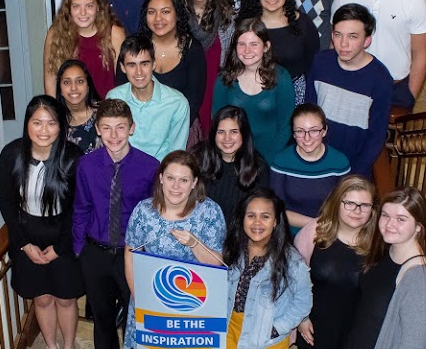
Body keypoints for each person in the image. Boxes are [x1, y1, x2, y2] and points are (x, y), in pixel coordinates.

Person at [0, 95, 84, 349]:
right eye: (37, 123)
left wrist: (60, 247)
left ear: (61, 127)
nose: (44, 130)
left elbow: (79, 209)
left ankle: (68, 346)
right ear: (27, 124)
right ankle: (51, 345)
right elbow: (6, 203)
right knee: (43, 298)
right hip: (26, 233)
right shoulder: (11, 155)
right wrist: (24, 244)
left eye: (51, 123)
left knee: (66, 299)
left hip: (64, 234)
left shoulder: (73, 158)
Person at [72, 99, 159, 349]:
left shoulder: (150, 166)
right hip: (95, 253)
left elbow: (152, 216)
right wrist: (80, 249)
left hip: (131, 255)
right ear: (97, 129)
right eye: (107, 128)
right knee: (102, 320)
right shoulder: (87, 165)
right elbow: (81, 207)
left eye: (120, 127)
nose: (114, 135)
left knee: (137, 318)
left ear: (132, 128)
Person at [123, 150, 226, 349]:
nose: (176, 186)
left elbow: (218, 266)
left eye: (184, 180)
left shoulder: (210, 212)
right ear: (161, 178)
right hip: (150, 301)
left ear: (195, 182)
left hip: (195, 310)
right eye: (170, 178)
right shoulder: (144, 211)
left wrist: (195, 244)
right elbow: (130, 254)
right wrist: (140, 297)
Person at [346, 187, 426, 349]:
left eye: (401, 219)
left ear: (419, 226)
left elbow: (412, 344)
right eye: (385, 215)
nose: (390, 224)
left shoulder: (419, 279)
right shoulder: (386, 249)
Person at [305, 3, 392, 177]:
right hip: (316, 157)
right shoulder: (320, 62)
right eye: (338, 35)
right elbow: (308, 111)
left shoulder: (380, 79)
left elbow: (377, 136)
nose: (343, 44)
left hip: (353, 167)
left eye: (353, 36)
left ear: (367, 41)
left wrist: (355, 174)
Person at [294, 175, 377, 349]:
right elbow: (293, 283)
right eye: (349, 203)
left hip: (356, 333)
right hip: (314, 329)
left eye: (364, 205)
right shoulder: (314, 233)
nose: (357, 210)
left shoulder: (379, 244)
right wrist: (301, 318)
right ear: (337, 203)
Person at [223, 188, 312, 349]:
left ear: (276, 221)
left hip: (265, 340)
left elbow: (303, 303)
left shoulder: (292, 261)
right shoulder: (233, 249)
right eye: (251, 216)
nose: (257, 223)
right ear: (243, 218)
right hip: (229, 331)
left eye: (265, 216)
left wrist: (276, 329)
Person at [213, 17, 295, 165]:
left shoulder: (281, 78)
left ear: (266, 47)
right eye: (241, 44)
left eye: (254, 44)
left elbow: (287, 125)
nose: (247, 51)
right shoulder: (224, 79)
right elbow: (217, 121)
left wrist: (265, 160)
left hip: (270, 156)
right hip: (232, 156)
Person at [239, 0, 319, 104]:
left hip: (295, 96)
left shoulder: (304, 24)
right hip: (252, 95)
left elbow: (313, 66)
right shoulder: (245, 25)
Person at [271, 103, 350, 237]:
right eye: (300, 131)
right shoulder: (281, 161)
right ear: (293, 133)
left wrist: (325, 229)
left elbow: (345, 206)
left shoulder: (339, 162)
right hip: (290, 232)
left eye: (314, 130)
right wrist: (315, 224)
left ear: (324, 131)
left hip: (329, 231)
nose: (307, 138)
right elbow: (276, 210)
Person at [175, 0, 235, 132]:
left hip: (215, 89)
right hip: (184, 89)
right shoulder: (174, 17)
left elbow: (230, 60)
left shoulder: (226, 18)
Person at [106, 36, 190, 161]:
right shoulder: (114, 98)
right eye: (132, 65)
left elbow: (175, 155)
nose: (139, 72)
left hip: (159, 175)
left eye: (144, 64)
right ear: (123, 68)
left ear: (154, 64)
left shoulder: (177, 103)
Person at [137, 0, 206, 133]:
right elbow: (123, 93)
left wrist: (170, 132)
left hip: (181, 129)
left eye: (165, 11)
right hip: (140, 130)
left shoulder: (192, 49)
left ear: (177, 14)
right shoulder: (134, 48)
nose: (158, 18)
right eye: (151, 12)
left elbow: (193, 102)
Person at [44, 0, 126, 98]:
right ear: (69, 9)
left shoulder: (114, 34)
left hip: (108, 111)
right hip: (69, 112)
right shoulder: (56, 34)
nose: (83, 13)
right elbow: (50, 83)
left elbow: (123, 84)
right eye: (76, 6)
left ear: (98, 7)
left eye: (89, 6)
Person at [192, 105, 269, 223]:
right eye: (221, 132)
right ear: (214, 134)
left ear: (244, 134)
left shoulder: (258, 167)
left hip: (237, 236)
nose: (227, 138)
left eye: (234, 132)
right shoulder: (197, 157)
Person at [56, 59, 100, 154]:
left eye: (79, 81)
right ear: (60, 88)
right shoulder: (53, 121)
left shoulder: (104, 114)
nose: (73, 88)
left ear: (88, 86)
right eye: (67, 82)